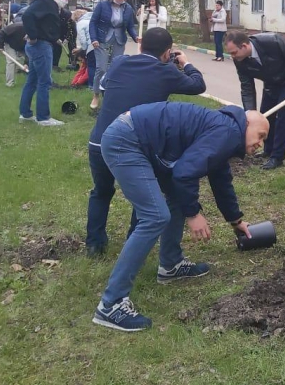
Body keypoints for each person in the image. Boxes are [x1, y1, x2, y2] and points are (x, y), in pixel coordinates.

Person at [92, 101, 269, 332]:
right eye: (260, 135)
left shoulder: (226, 130)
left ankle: (171, 264)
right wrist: (193, 214)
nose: (260, 143)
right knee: (155, 216)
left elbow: (221, 181)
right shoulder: (228, 132)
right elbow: (185, 173)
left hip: (135, 137)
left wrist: (236, 220)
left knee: (175, 198)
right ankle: (111, 305)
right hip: (126, 141)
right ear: (246, 124)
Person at [85, 27, 207, 257]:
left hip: (99, 142)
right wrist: (185, 63)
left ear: (140, 46)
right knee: (142, 195)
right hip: (134, 146)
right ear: (167, 52)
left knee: (101, 191)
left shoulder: (120, 63)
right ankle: (134, 242)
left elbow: (104, 86)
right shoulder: (166, 71)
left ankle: (94, 244)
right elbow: (197, 85)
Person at [224, 30, 285, 170]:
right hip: (270, 83)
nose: (232, 56)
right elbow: (247, 86)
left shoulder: (273, 41)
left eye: (234, 52)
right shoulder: (239, 60)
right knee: (265, 116)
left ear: (244, 46)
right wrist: (250, 113)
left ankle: (277, 157)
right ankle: (268, 150)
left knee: (283, 118)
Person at [19, 0, 64, 126]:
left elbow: (44, 22)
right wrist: (32, 36)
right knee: (44, 81)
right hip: (40, 45)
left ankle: (25, 114)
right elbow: (27, 16)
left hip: (42, 44)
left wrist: (53, 37)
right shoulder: (42, 1)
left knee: (32, 80)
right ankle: (43, 118)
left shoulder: (48, 2)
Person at [89, 0, 139, 110]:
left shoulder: (128, 8)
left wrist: (135, 37)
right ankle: (96, 95)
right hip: (102, 38)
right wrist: (94, 38)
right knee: (101, 68)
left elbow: (130, 26)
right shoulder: (102, 5)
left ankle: (110, 95)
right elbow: (93, 22)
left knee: (116, 67)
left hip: (119, 39)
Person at [0, 17, 27, 88]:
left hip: (22, 46)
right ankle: (9, 83)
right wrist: (0, 45)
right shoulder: (17, 27)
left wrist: (26, 63)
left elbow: (29, 53)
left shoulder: (34, 33)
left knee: (26, 61)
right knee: (11, 62)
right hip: (9, 43)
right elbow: (2, 32)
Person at [74, 9, 96, 89]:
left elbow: (82, 39)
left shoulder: (81, 23)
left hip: (90, 46)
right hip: (99, 45)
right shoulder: (93, 20)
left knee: (91, 66)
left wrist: (83, 50)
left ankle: (90, 85)